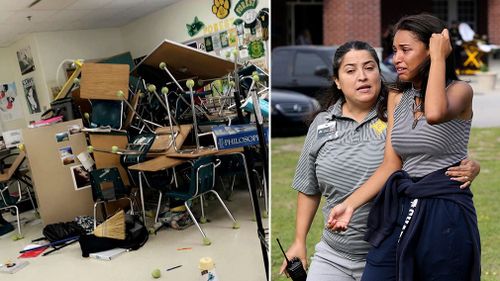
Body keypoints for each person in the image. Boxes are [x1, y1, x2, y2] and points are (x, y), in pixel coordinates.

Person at [279, 40, 479, 281]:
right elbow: (308, 188)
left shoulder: (400, 115)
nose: (362, 77)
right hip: (334, 253)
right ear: (337, 81)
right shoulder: (322, 124)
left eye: (369, 67)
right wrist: (299, 240)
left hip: (391, 251)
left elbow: (433, 153)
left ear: (380, 73)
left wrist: (471, 165)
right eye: (351, 71)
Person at [327, 14, 480, 281]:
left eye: (406, 50)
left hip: (445, 212)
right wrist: (349, 204)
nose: (396, 58)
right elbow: (391, 165)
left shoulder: (460, 91)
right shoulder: (398, 97)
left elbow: (434, 113)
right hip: (402, 207)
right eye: (394, 50)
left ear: (432, 51)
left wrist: (439, 59)